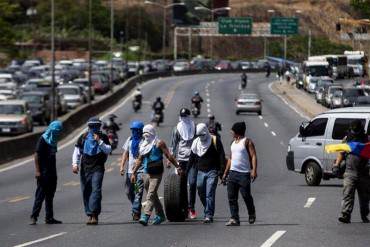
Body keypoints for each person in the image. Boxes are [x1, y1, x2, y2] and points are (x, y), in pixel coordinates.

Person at [131, 124, 182, 226]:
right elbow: (140, 160)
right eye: (144, 134)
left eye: (148, 134)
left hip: (156, 173)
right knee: (153, 195)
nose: (146, 136)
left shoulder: (159, 143)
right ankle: (161, 215)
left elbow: (168, 155)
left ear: (152, 132)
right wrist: (134, 172)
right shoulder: (143, 145)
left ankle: (146, 215)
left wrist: (177, 166)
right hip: (146, 172)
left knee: (150, 194)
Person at [72, 117, 112, 225]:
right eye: (91, 126)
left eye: (96, 126)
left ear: (99, 127)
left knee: (96, 190)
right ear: (88, 127)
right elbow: (77, 151)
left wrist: (99, 141)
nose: (94, 128)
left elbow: (108, 150)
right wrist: (75, 164)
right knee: (86, 190)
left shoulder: (103, 137)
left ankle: (95, 214)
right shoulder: (83, 137)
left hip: (98, 167)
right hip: (85, 168)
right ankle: (89, 214)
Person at [333, 120, 370, 224]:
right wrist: (336, 165)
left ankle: (364, 215)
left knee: (365, 198)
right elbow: (341, 153)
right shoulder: (347, 139)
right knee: (348, 194)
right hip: (350, 172)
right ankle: (345, 215)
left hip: (364, 173)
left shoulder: (366, 139)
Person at [189, 123, 226, 224]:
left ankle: (209, 215)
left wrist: (222, 171)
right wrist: (186, 170)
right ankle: (208, 207)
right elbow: (192, 157)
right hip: (200, 171)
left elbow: (221, 155)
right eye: (199, 135)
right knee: (201, 191)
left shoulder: (214, 140)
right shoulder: (196, 142)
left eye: (203, 135)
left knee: (209, 193)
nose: (201, 137)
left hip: (212, 171)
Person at [222, 122, 257, 226]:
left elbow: (254, 156)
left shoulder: (247, 142)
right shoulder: (233, 143)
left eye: (232, 131)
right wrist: (225, 173)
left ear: (237, 131)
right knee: (231, 197)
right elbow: (230, 159)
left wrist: (254, 170)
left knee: (246, 196)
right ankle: (234, 218)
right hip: (232, 174)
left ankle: (251, 213)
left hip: (244, 174)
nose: (231, 132)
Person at [30, 121, 63, 225]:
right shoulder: (43, 139)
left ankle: (49, 217)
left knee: (50, 196)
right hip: (43, 173)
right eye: (56, 131)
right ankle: (34, 217)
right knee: (40, 196)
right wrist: (38, 171)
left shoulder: (54, 140)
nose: (58, 133)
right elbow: (36, 155)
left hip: (52, 173)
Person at [170, 108, 197, 219]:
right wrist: (169, 158)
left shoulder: (194, 127)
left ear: (189, 116)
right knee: (181, 185)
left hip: (193, 159)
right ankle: (183, 207)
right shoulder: (176, 129)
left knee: (193, 183)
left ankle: (192, 208)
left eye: (186, 116)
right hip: (181, 160)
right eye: (183, 116)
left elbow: (198, 141)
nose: (184, 118)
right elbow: (173, 144)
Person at [119, 121, 145, 221]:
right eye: (133, 130)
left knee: (138, 191)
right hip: (130, 171)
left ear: (140, 131)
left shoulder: (143, 141)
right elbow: (125, 153)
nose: (134, 132)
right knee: (128, 191)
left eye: (136, 130)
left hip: (140, 171)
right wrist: (122, 166)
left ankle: (136, 212)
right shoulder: (129, 140)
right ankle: (136, 206)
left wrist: (135, 170)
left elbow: (142, 157)